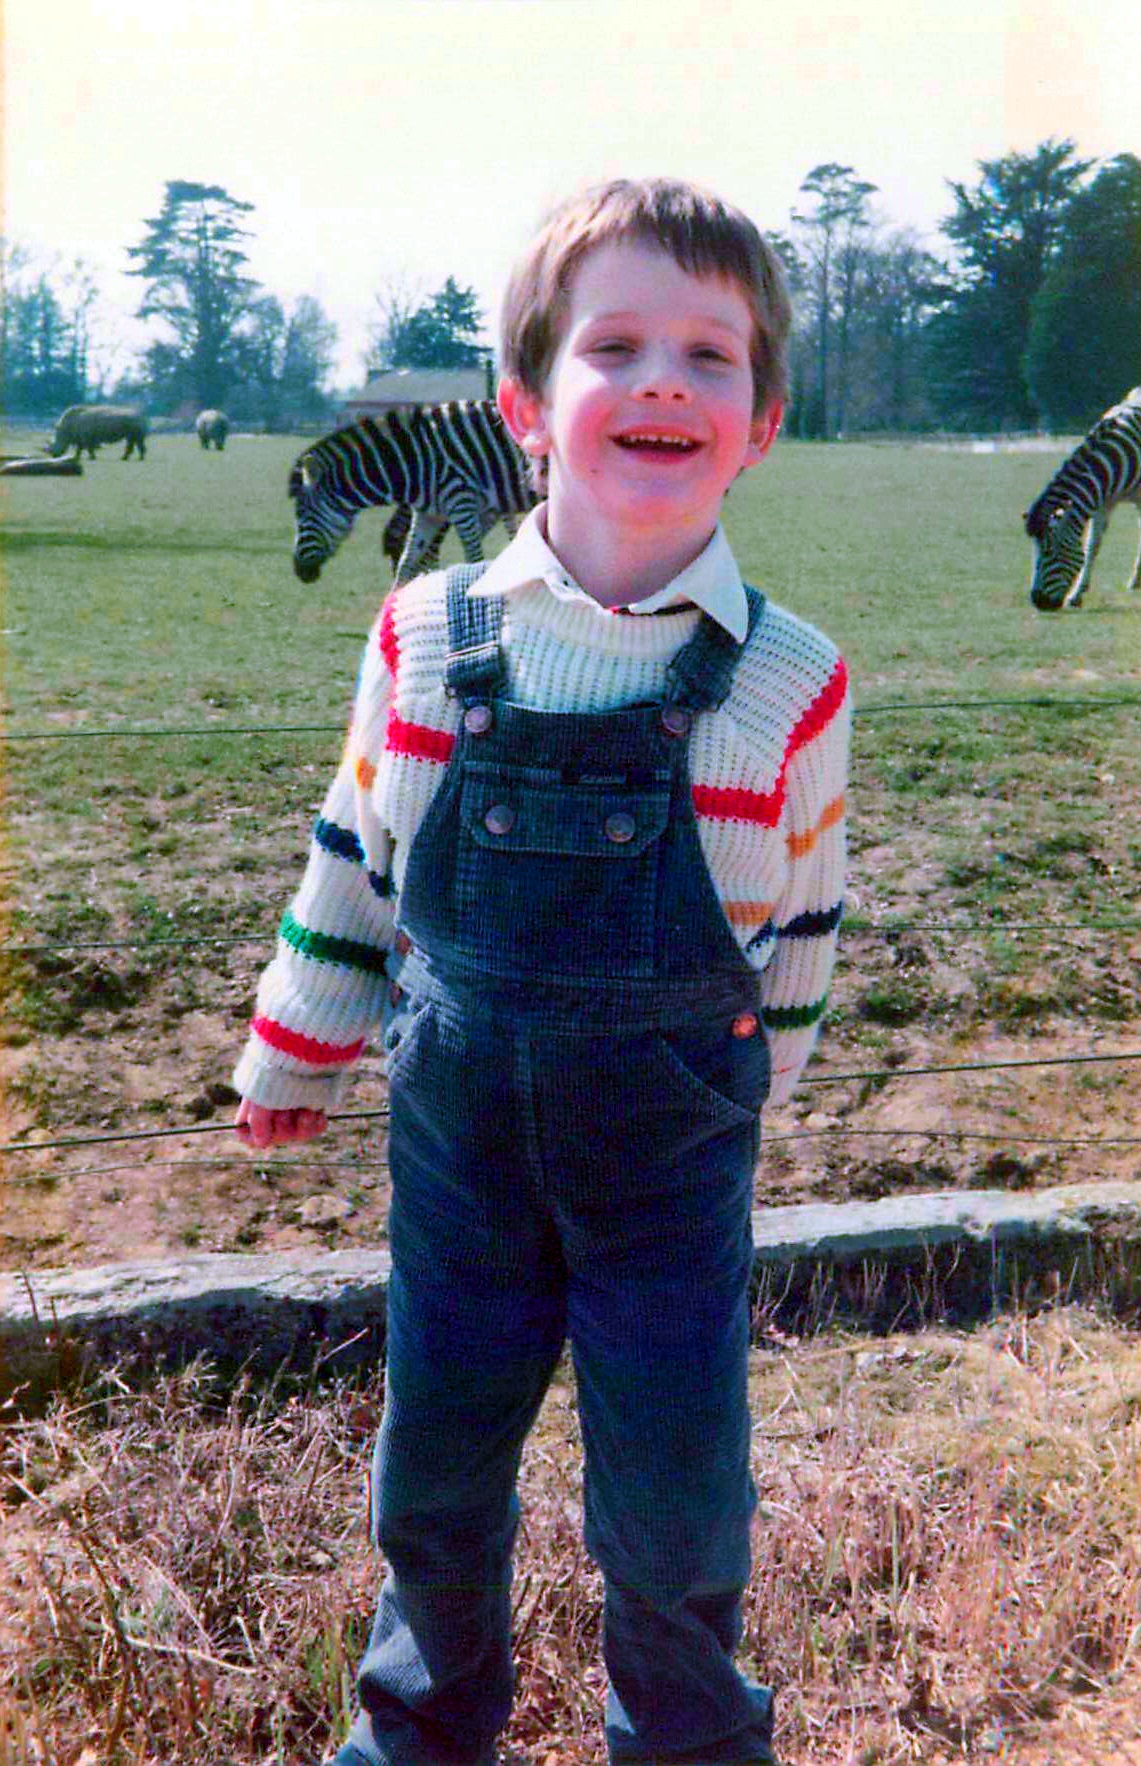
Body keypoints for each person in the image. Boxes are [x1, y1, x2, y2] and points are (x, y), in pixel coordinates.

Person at [232, 177, 850, 1766]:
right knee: (434, 1474)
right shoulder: (426, 636)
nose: (664, 381)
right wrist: (299, 1044)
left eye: (710, 355)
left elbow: (805, 914)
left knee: (677, 1500)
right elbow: (358, 850)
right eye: (615, 346)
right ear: (524, 406)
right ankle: (419, 1729)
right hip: (460, 1156)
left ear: (762, 421)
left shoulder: (789, 677)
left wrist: (751, 1082)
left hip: (673, 1166)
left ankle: (687, 1736)